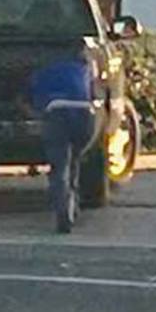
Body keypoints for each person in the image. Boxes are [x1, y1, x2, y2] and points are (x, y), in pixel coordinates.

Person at [27, 55, 95, 234]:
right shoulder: (84, 70)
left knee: (59, 164)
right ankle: (74, 196)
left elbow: (33, 102)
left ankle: (62, 208)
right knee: (75, 158)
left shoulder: (41, 74)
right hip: (84, 114)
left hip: (56, 113)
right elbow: (94, 94)